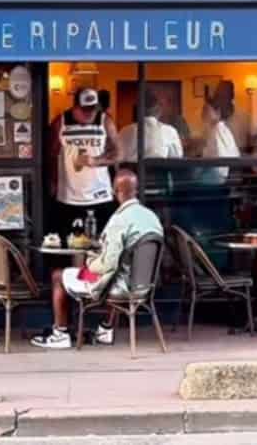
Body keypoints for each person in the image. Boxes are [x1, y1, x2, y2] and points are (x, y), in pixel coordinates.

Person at [31, 169, 163, 349]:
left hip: (118, 286)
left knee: (58, 276)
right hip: (143, 286)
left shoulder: (119, 220)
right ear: (136, 190)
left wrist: (89, 263)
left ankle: (60, 334)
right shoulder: (152, 218)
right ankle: (106, 330)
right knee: (120, 270)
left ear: (115, 191)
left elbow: (107, 265)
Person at [49, 87, 122, 235]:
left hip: (100, 196)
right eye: (85, 109)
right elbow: (50, 154)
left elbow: (118, 153)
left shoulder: (105, 121)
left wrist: (96, 161)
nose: (90, 113)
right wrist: (53, 182)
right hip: (68, 197)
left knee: (101, 243)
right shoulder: (60, 122)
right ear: (75, 106)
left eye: (93, 109)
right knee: (70, 244)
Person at [118, 90, 184, 162]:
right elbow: (177, 158)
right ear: (158, 111)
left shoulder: (125, 131)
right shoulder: (170, 131)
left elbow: (118, 159)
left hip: (131, 172)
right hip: (160, 172)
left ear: (137, 111)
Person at [200, 95, 240, 184]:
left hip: (218, 177)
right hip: (219, 175)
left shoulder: (218, 130)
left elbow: (221, 158)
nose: (203, 113)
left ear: (217, 112)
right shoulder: (217, 129)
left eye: (206, 110)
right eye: (203, 110)